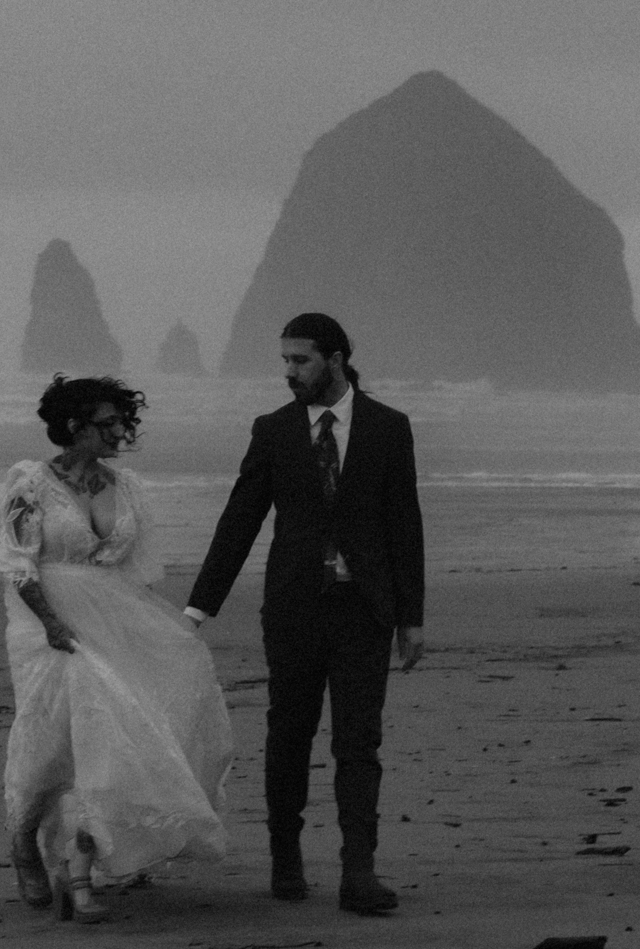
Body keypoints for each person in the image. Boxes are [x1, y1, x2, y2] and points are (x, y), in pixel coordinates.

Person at [185, 312, 425, 916]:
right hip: (294, 607)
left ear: (335, 359)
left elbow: (404, 522)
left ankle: (358, 873)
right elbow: (241, 518)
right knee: (289, 733)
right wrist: (198, 607)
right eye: (285, 360)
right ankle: (285, 859)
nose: (289, 372)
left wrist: (411, 616)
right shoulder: (274, 430)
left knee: (358, 741)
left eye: (301, 360)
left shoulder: (388, 427)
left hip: (363, 608)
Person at [0, 375, 233, 923]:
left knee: (110, 735)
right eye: (108, 424)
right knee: (49, 741)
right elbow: (18, 564)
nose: (121, 433)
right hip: (44, 624)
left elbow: (132, 572)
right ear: (73, 425)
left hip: (111, 619)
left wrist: (156, 633)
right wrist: (52, 624)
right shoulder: (30, 483)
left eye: (124, 422)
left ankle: (81, 862)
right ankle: (24, 838)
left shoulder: (125, 486)